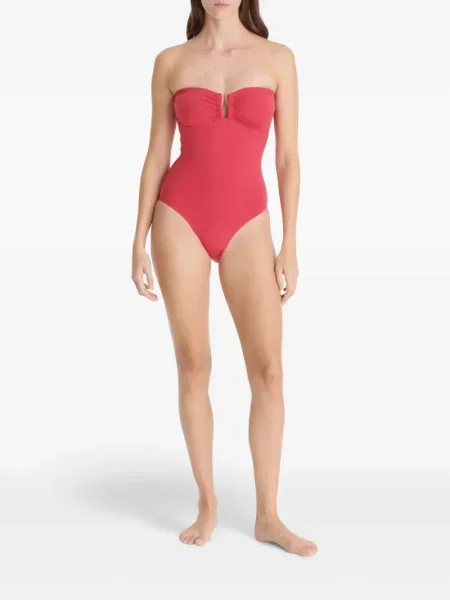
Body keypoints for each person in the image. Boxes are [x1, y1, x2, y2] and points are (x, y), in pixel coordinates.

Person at [131, 0, 318, 557]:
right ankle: (207, 503)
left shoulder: (278, 58)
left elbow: (288, 158)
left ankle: (268, 515)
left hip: (249, 223)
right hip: (179, 216)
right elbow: (157, 153)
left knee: (269, 372)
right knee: (194, 365)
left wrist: (290, 242)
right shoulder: (171, 61)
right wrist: (137, 238)